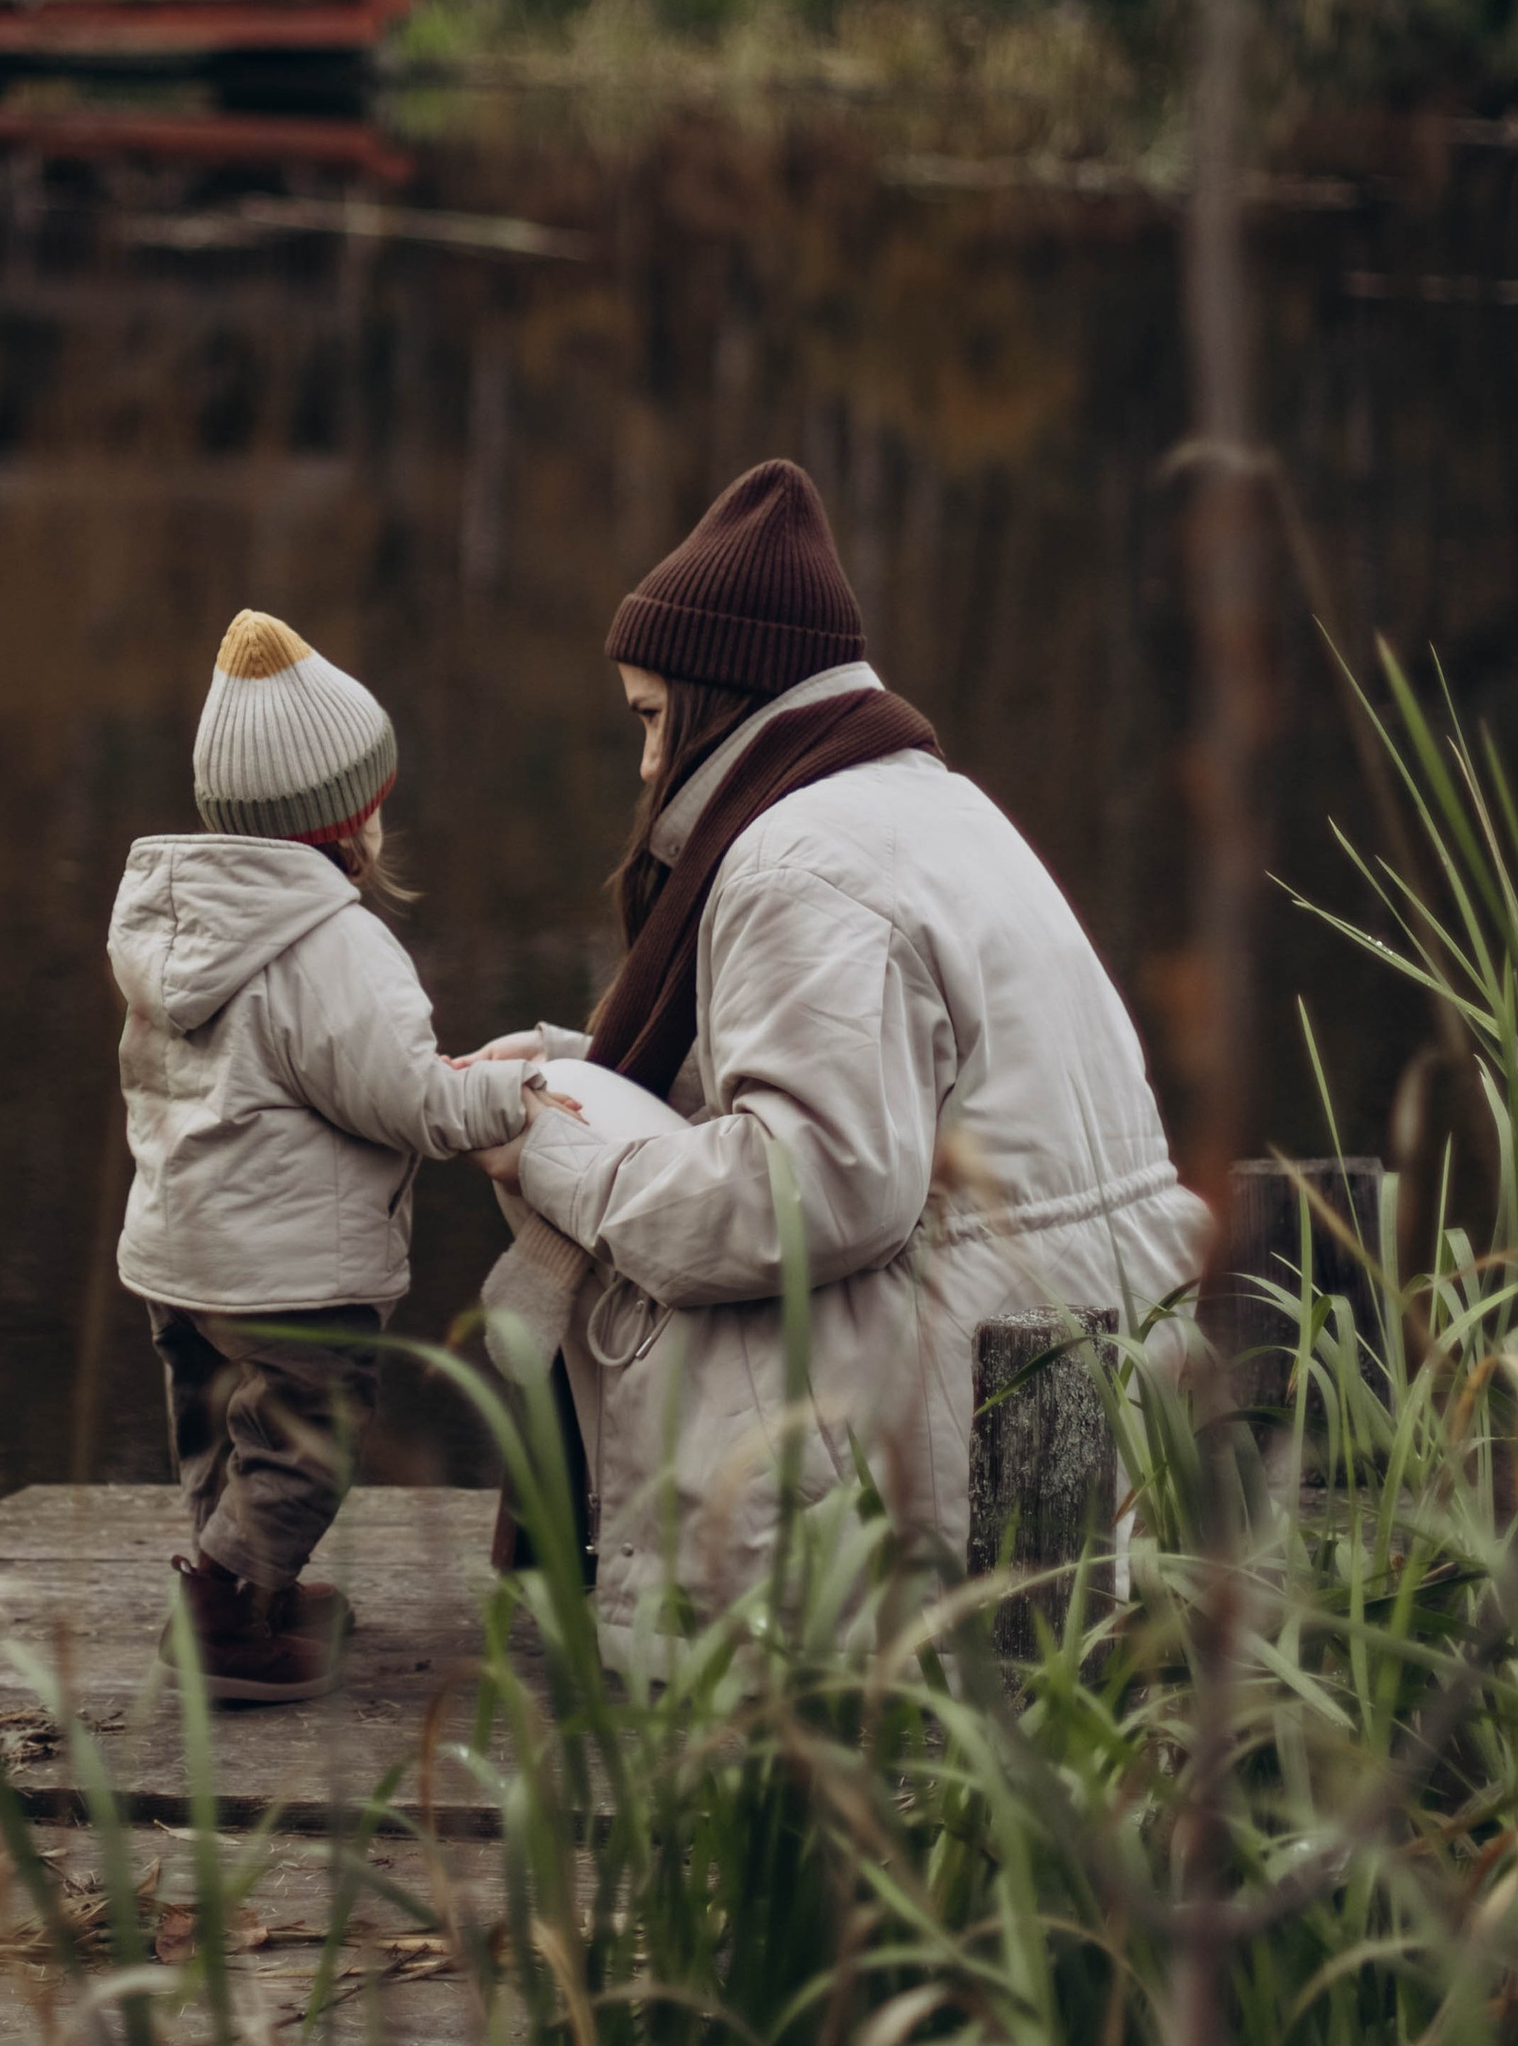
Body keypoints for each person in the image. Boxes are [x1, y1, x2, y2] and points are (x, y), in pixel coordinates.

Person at [475, 459, 1204, 1640]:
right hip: (1086, 1399)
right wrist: (578, 1068)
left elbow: (812, 1195)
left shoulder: (793, 860)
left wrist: (557, 1149)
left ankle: (709, 1630)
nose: (647, 766)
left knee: (644, 1227)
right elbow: (862, 1087)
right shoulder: (927, 806)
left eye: (652, 720)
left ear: (722, 699)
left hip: (959, 1460)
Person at [111, 608, 532, 1702]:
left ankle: (238, 1586)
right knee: (310, 1429)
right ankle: (221, 1615)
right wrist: (512, 1093)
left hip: (176, 1253)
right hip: (286, 1270)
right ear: (355, 817)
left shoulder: (173, 926)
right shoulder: (332, 944)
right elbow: (409, 1104)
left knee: (214, 1426)